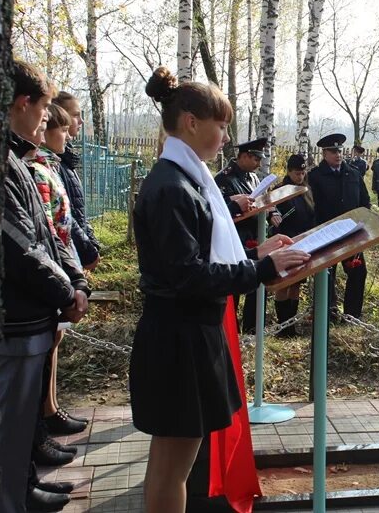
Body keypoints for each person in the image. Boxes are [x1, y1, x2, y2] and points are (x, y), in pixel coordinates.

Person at [132, 66, 309, 513]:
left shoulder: (184, 177)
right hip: (180, 341)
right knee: (173, 468)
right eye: (222, 125)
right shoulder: (173, 186)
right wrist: (261, 268)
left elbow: (203, 255)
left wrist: (255, 257)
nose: (227, 137)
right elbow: (189, 276)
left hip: (186, 335)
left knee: (170, 463)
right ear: (192, 122)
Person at [2, 60, 90, 513]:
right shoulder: (6, 163)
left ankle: (20, 485)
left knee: (17, 428)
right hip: (15, 318)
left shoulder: (16, 157)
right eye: (42, 112)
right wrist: (67, 292)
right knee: (10, 424)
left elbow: (48, 233)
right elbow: (19, 246)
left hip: (30, 313)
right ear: (22, 103)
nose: (47, 121)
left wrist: (74, 278)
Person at [214, 137, 282, 333]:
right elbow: (221, 211)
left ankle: (251, 328)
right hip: (236, 238)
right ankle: (230, 331)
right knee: (234, 283)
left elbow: (262, 200)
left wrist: (272, 212)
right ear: (243, 156)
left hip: (256, 235)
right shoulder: (224, 178)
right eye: (255, 158)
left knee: (255, 282)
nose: (259, 163)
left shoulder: (253, 177)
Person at [308, 133, 371, 318]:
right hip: (326, 235)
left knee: (358, 272)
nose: (338, 154)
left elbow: (365, 202)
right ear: (324, 154)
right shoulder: (315, 176)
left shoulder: (353, 173)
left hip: (351, 234)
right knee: (326, 276)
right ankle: (328, 314)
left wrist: (362, 222)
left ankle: (352, 315)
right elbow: (311, 206)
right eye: (333, 151)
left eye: (339, 150)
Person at [53, 91, 100, 272]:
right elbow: (65, 216)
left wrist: (91, 242)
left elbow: (79, 211)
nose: (80, 121)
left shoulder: (66, 160)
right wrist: (87, 250)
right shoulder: (54, 163)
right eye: (75, 115)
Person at [272, 154, 316, 335]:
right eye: (297, 173)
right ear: (289, 172)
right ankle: (283, 326)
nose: (300, 176)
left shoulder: (307, 189)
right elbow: (272, 210)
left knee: (296, 283)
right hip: (285, 241)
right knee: (284, 283)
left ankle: (291, 325)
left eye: (303, 172)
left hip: (304, 240)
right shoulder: (280, 190)